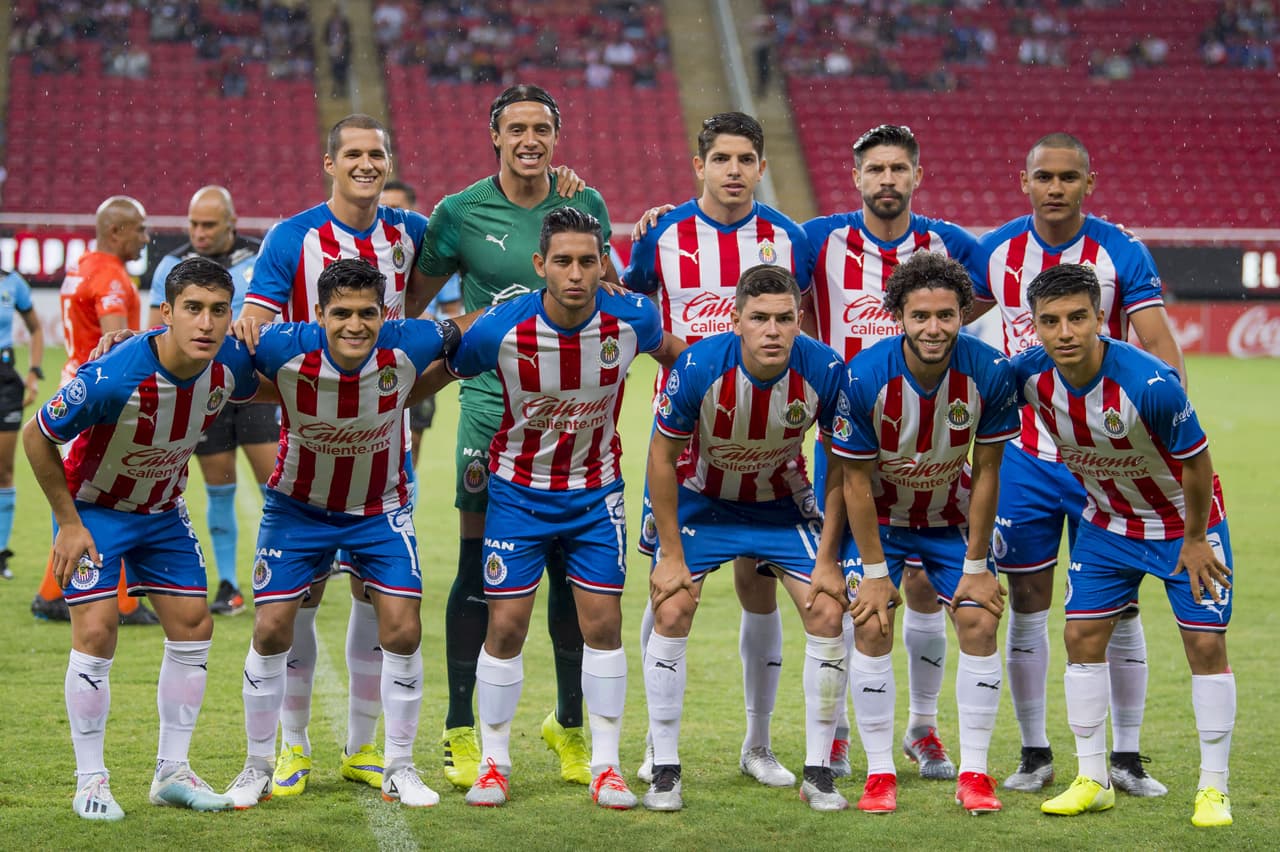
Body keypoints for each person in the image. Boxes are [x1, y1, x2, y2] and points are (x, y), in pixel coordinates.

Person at [406, 83, 612, 790]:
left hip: (571, 415)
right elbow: (414, 309)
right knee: (478, 573)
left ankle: (571, 726)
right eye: (516, 128)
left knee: (571, 576)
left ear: (557, 136)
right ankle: (460, 728)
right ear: (494, 135)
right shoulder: (459, 213)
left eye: (541, 128)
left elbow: (603, 297)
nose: (529, 139)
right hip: (491, 410)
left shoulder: (584, 206)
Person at [970, 132, 1185, 795]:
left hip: (1106, 460)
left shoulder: (1121, 251)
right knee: (1028, 600)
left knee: (1116, 606)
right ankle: (1035, 753)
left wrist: (1170, 437)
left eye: (1068, 177)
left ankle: (1126, 758)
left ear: (1089, 183)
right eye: (1045, 176)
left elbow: (1158, 348)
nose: (1056, 187)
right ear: (1024, 180)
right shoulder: (997, 250)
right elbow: (944, 317)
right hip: (1025, 459)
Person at [453, 208, 683, 809]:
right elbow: (440, 361)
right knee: (505, 627)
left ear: (603, 263)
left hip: (595, 493)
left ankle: (606, 766)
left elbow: (682, 357)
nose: (576, 274)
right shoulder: (499, 329)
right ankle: (493, 763)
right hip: (515, 492)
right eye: (563, 261)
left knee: (601, 626)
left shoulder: (633, 318)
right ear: (540, 265)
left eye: (588, 261)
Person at [23, 257, 256, 820]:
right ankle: (91, 781)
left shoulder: (233, 363)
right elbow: (36, 436)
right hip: (94, 513)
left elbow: (295, 361)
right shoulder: (114, 374)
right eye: (192, 309)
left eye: (218, 311)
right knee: (99, 631)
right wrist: (69, 522)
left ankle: (171, 772)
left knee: (194, 625)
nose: (205, 323)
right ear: (167, 312)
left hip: (162, 512)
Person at [223, 258, 460, 809]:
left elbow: (472, 329)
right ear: (319, 315)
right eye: (342, 314)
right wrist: (126, 339)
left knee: (402, 628)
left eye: (367, 314)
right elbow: (197, 347)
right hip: (297, 508)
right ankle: (265, 761)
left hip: (379, 509)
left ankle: (397, 764)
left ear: (385, 314)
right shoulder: (279, 345)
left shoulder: (411, 340)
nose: (355, 325)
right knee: (272, 627)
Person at [238, 114, 428, 799]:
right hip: (309, 442)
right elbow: (256, 323)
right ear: (330, 162)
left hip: (385, 442)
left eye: (377, 153)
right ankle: (291, 747)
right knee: (301, 601)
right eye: (353, 153)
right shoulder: (294, 236)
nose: (367, 163)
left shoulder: (411, 232)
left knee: (378, 601)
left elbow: (477, 251)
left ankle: (364, 745)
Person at [624, 111, 814, 788]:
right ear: (698, 164)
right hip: (682, 451)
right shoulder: (663, 235)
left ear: (762, 166)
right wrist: (680, 359)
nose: (733, 170)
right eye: (721, 158)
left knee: (758, 591)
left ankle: (758, 746)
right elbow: (631, 310)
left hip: (770, 453)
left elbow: (806, 329)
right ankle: (655, 742)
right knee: (670, 587)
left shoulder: (789, 239)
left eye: (746, 159)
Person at [1011, 264, 1234, 828]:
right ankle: (1093, 779)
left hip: (1185, 525)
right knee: (1080, 635)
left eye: (1078, 318)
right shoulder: (1028, 376)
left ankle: (1214, 789)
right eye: (1051, 321)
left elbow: (1197, 461)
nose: (1065, 332)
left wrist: (1196, 538)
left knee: (1205, 647)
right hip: (1109, 522)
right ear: (1033, 325)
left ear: (1098, 319)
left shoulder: (1149, 382)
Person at [804, 124, 987, 779]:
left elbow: (988, 286)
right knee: (853, 595)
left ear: (916, 175)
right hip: (847, 441)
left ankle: (922, 731)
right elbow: (764, 265)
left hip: (930, 442)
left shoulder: (952, 243)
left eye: (898, 169)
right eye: (875, 169)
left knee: (923, 588)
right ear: (856, 177)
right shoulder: (818, 238)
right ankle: (840, 733)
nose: (887, 179)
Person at [808, 252, 1019, 815]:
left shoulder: (990, 372)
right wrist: (874, 574)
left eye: (946, 315)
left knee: (979, 618)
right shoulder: (864, 375)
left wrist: (976, 563)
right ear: (897, 313)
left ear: (963, 313)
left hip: (950, 520)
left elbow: (989, 470)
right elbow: (851, 481)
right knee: (872, 623)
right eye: (920, 315)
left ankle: (975, 773)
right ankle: (879, 775)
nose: (933, 328)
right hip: (879, 522)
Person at [642, 265, 850, 813]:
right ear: (737, 320)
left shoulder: (825, 369)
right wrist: (669, 555)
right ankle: (663, 766)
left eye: (785, 319)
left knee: (829, 612)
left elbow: (847, 468)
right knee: (672, 605)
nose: (773, 331)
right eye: (759, 318)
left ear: (800, 320)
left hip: (781, 501)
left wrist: (829, 558)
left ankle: (814, 769)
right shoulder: (698, 365)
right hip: (702, 497)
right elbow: (661, 457)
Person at [147, 186, 273, 617]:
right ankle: (229, 585)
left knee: (274, 487)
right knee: (220, 492)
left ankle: (277, 574)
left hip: (256, 390)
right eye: (194, 224)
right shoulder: (171, 264)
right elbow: (154, 333)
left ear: (231, 223)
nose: (199, 233)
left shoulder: (263, 256)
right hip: (202, 394)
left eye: (209, 225)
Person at [32, 195, 158, 626]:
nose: (146, 237)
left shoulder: (83, 265)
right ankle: (118, 601)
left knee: (87, 491)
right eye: (139, 228)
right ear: (117, 231)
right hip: (98, 396)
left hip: (73, 382)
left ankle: (51, 593)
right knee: (108, 493)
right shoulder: (112, 277)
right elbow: (116, 345)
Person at [379, 179, 461, 468]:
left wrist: (429, 323)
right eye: (383, 207)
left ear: (412, 210)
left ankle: (405, 507)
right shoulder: (365, 255)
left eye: (396, 207)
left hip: (420, 363)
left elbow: (454, 311)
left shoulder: (431, 258)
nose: (388, 214)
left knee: (410, 446)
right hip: (375, 361)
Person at [0, 267, 44, 580]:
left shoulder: (13, 283)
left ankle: (0, 553)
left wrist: (33, 371)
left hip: (5, 380)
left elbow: (36, 329)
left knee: (3, 469)